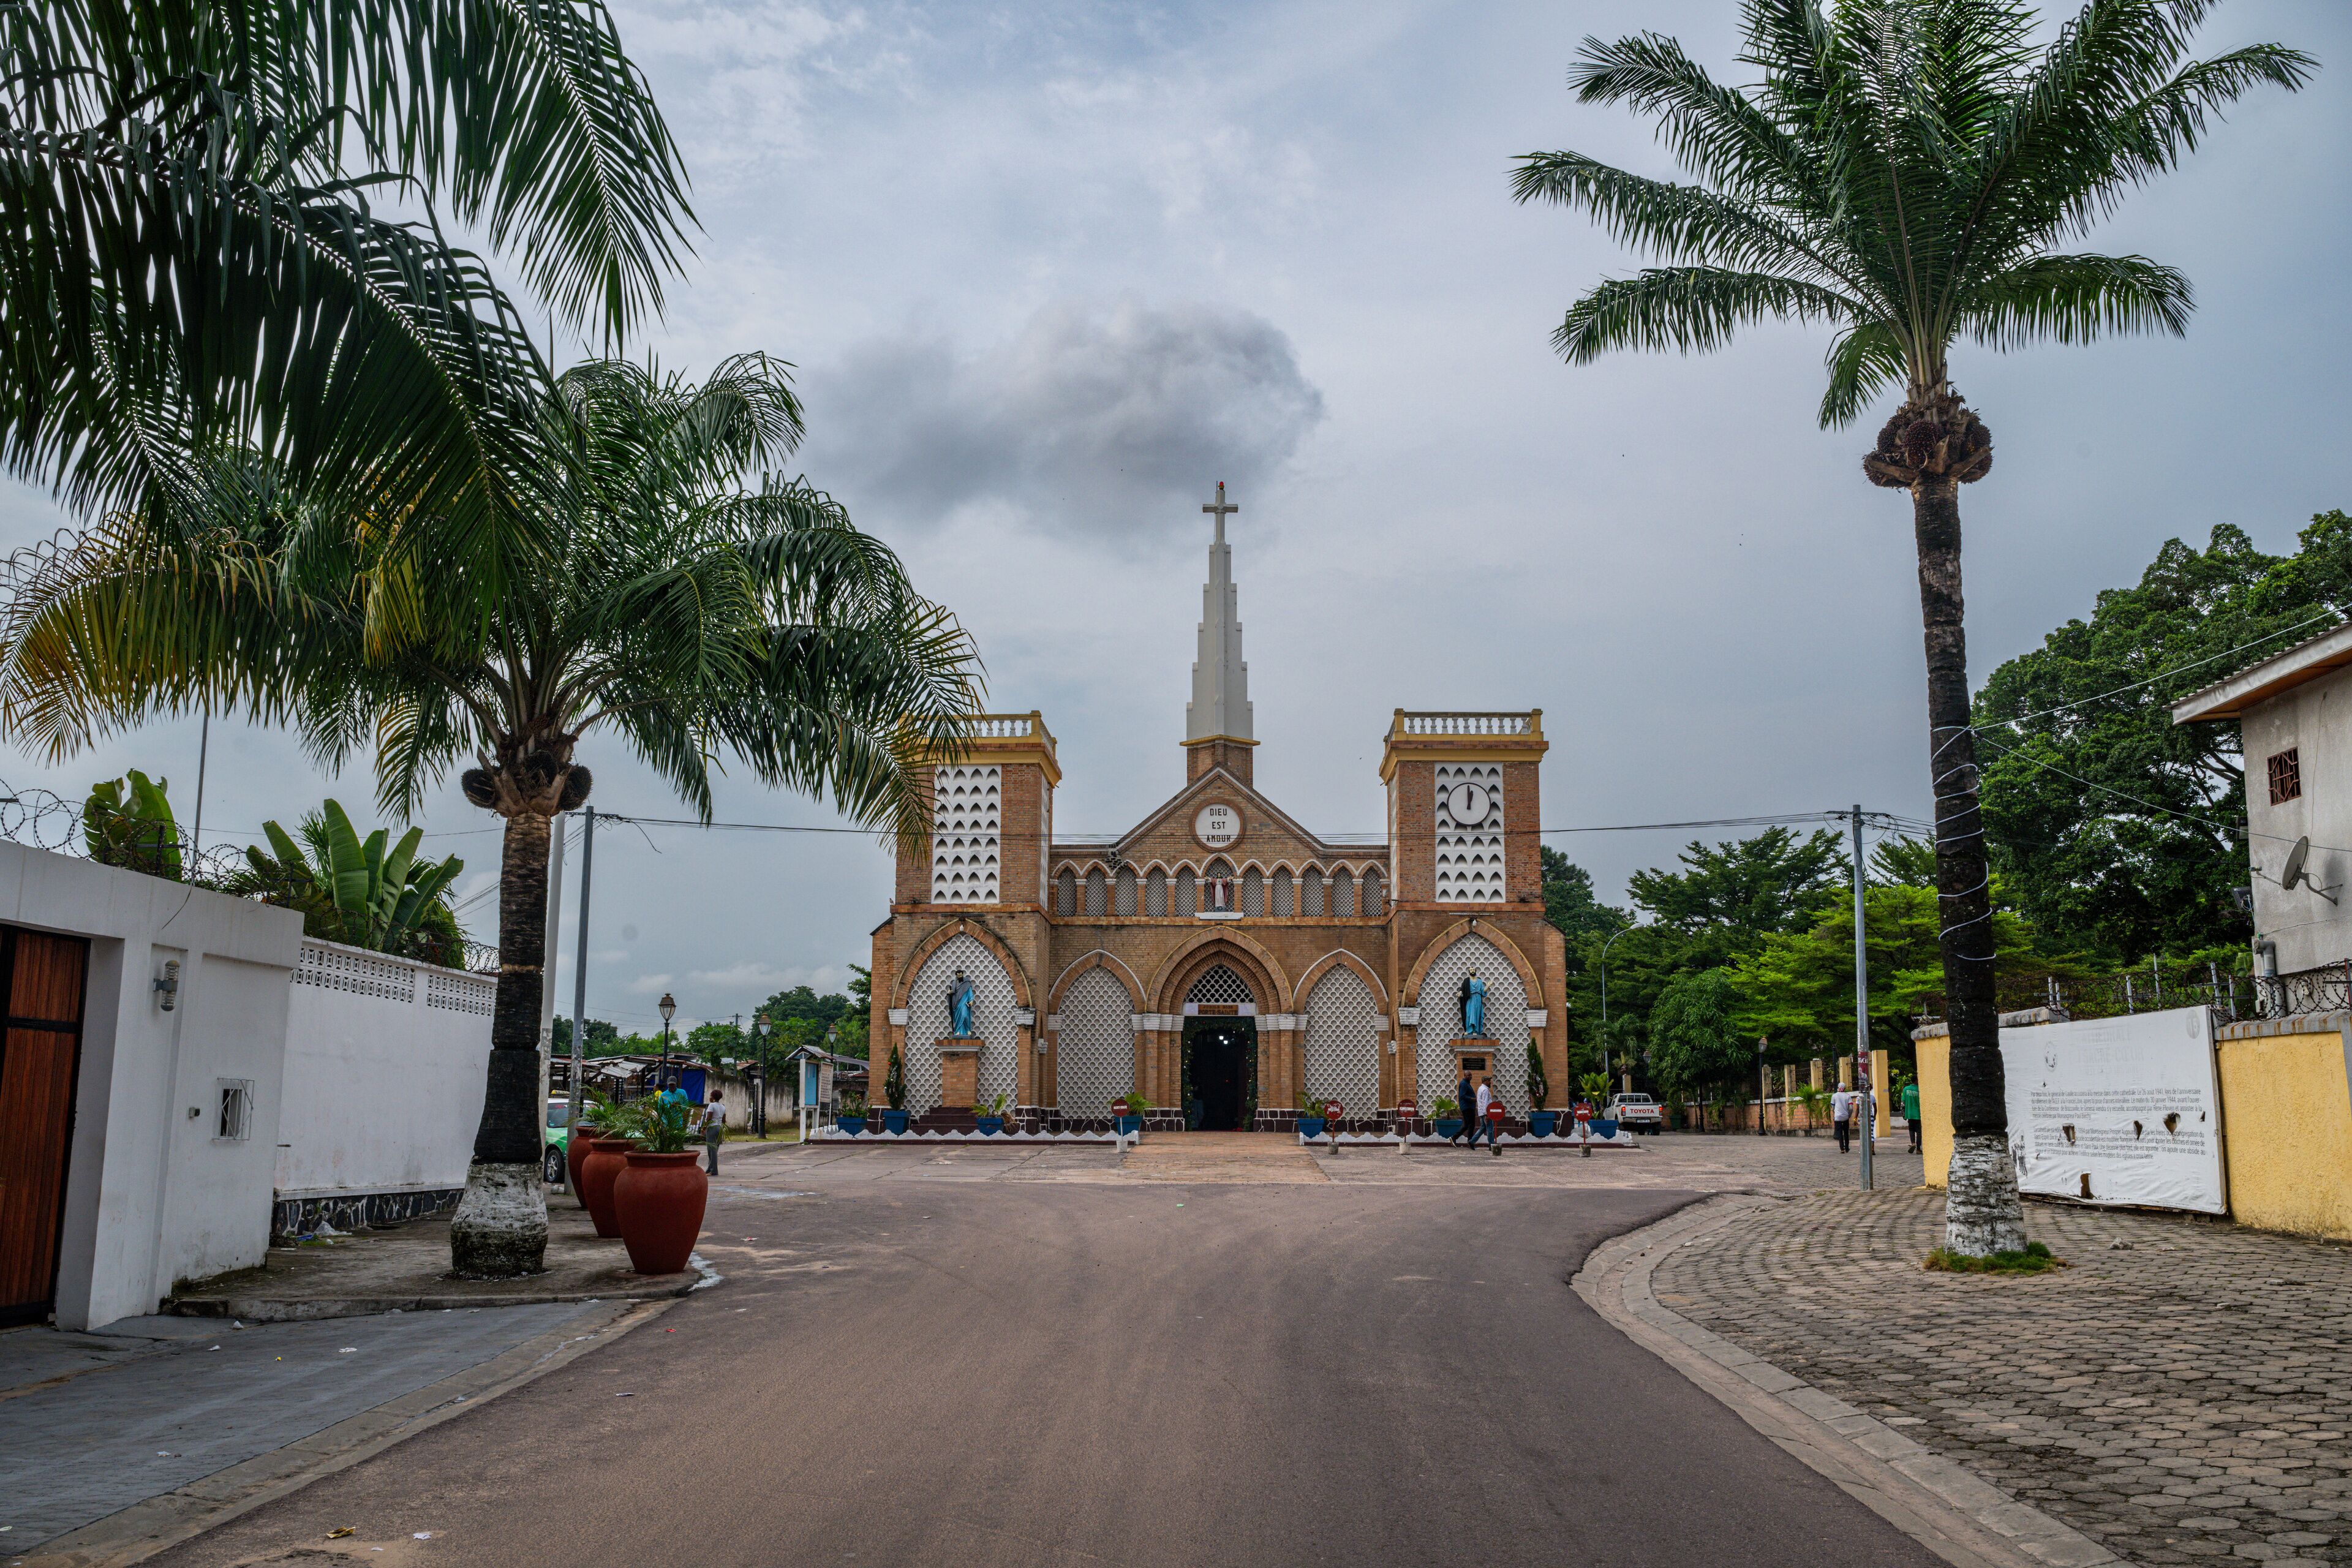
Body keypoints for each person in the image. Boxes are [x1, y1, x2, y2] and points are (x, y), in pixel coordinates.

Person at [700, 1090, 727, 1175]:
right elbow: (724, 1120)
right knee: (715, 1149)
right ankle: (709, 1169)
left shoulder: (711, 1106)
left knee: (712, 1150)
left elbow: (709, 1118)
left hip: (712, 1128)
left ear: (713, 1097)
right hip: (720, 1128)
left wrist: (703, 1128)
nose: (710, 1097)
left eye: (710, 1096)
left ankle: (714, 1171)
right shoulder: (723, 1107)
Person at [1453, 1069, 1475, 1147]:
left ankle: (1454, 1138)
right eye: (1468, 1075)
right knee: (1471, 1125)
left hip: (1469, 1107)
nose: (1470, 1076)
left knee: (1467, 1125)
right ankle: (1470, 1143)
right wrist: (1473, 1099)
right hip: (1467, 1107)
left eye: (1471, 1075)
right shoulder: (1464, 1084)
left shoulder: (1467, 1084)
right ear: (1464, 1076)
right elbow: (1462, 1096)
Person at [1831, 1084, 1853, 1153]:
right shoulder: (1848, 1096)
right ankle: (1847, 1148)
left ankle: (1842, 1149)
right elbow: (1851, 1108)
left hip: (1838, 1117)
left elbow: (1833, 1107)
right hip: (1845, 1117)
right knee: (1846, 1133)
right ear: (1845, 1088)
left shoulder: (1834, 1096)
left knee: (1840, 1133)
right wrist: (1849, 1115)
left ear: (1838, 1088)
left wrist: (1835, 1114)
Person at [1901, 1078, 1922, 1154]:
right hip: (1918, 1113)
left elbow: (1903, 1101)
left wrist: (1904, 1114)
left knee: (1911, 1129)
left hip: (1909, 1113)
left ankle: (1913, 1143)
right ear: (1916, 1080)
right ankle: (1919, 1149)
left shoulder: (1906, 1089)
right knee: (1919, 1131)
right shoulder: (1920, 1089)